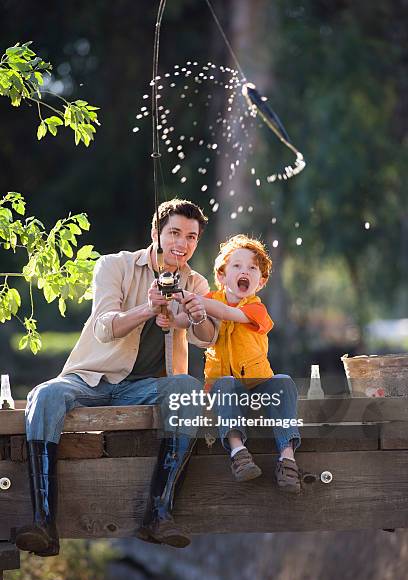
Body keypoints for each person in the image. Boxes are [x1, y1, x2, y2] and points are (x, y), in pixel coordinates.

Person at [15, 199, 219, 555]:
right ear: (155, 233)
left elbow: (207, 338)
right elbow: (104, 327)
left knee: (186, 388)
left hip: (145, 388)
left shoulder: (196, 282)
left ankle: (159, 514)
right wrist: (147, 308)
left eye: (191, 237)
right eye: (174, 233)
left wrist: (199, 314)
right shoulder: (114, 265)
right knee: (44, 395)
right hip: (91, 377)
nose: (182, 244)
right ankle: (44, 523)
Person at [162, 234, 302, 493]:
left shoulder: (257, 310)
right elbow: (186, 320)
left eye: (252, 268)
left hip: (259, 384)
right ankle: (239, 452)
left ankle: (287, 458)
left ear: (260, 282)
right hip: (224, 386)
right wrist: (173, 316)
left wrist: (197, 300)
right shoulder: (211, 298)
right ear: (223, 275)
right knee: (225, 385)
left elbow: (228, 313)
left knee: (284, 382)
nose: (244, 271)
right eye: (236, 266)